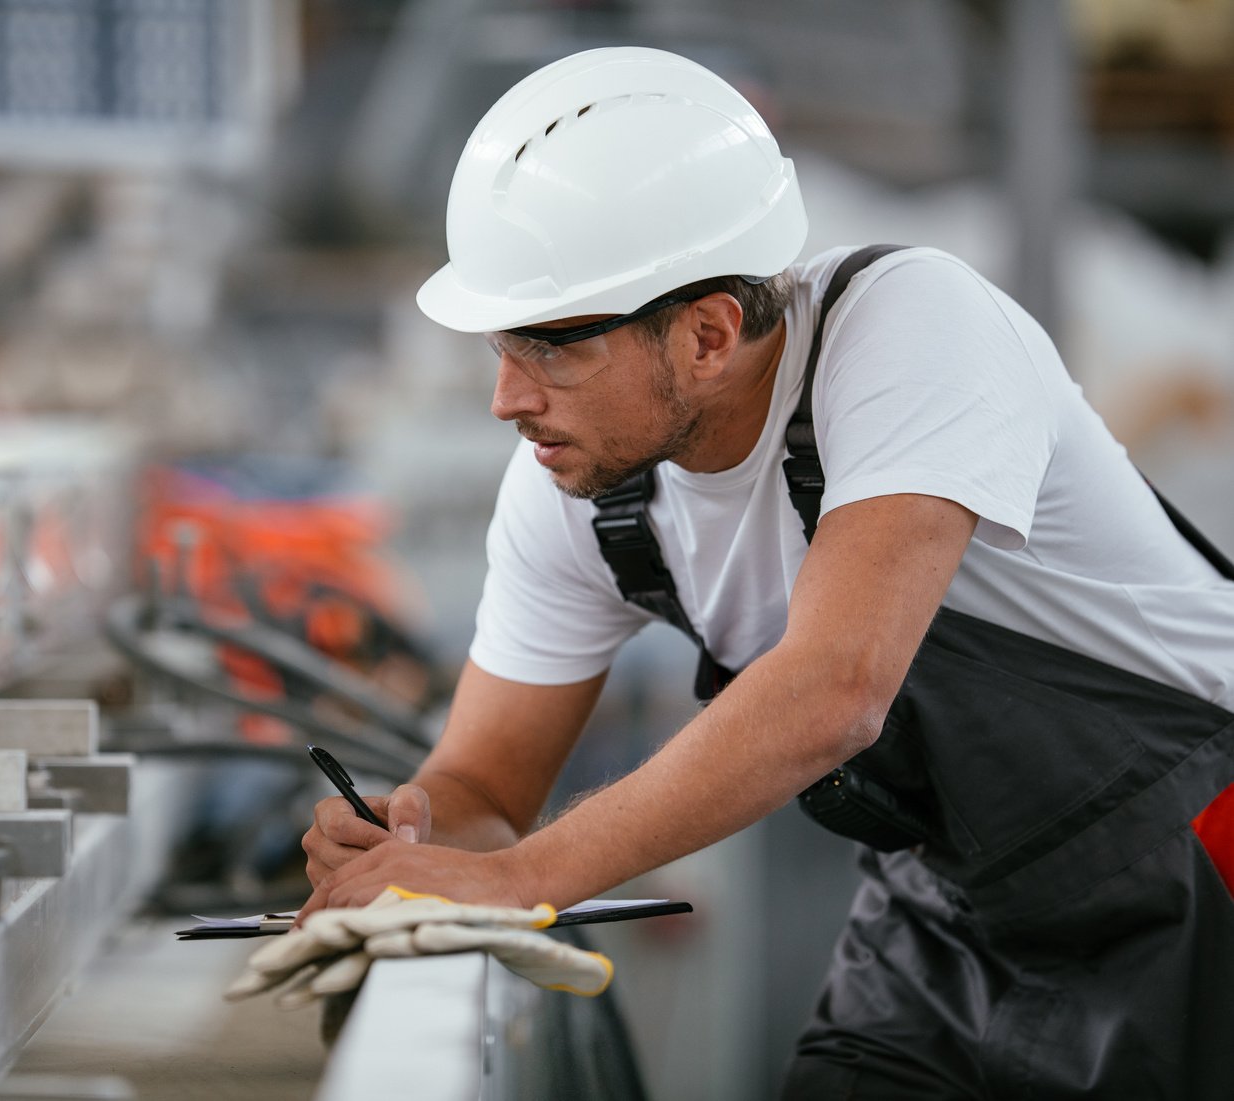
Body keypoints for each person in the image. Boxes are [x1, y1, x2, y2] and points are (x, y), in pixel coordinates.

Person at [299, 46, 1234, 1098]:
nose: (506, 399)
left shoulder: (909, 326)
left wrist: (518, 879)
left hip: (1199, 877)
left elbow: (833, 692)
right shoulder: (581, 490)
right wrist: (412, 839)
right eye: (495, 349)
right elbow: (482, 788)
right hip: (954, 913)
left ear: (707, 334)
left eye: (548, 348)